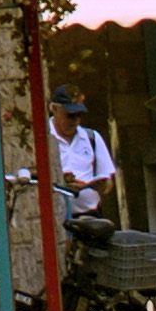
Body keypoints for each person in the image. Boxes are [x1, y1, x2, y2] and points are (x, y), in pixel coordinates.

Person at [48, 88, 115, 218]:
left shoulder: (91, 137)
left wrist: (93, 185)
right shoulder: (44, 138)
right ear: (55, 110)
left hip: (89, 215)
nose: (76, 121)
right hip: (55, 216)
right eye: (70, 115)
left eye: (79, 115)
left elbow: (108, 182)